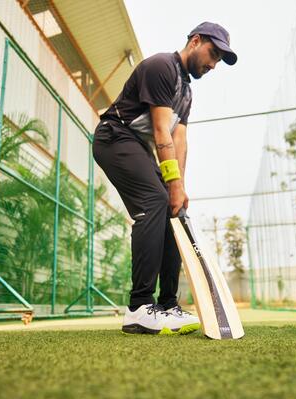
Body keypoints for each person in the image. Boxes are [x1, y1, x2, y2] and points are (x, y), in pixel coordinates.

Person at [93, 22, 237, 335]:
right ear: (195, 41)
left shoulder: (186, 91)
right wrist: (170, 186)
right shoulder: (162, 67)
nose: (213, 64)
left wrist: (180, 187)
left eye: (219, 60)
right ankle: (139, 307)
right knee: (155, 200)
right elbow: (161, 132)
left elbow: (179, 139)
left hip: (137, 146)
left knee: (175, 209)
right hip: (114, 137)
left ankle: (168, 305)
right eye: (213, 54)